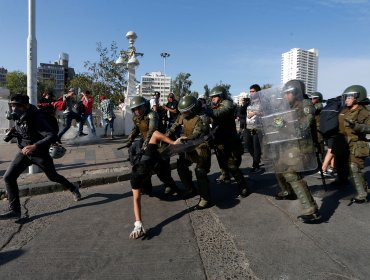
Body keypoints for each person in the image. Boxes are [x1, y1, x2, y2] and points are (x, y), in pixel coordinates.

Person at [0, 95, 81, 220]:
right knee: (8, 177)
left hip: (39, 153)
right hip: (24, 152)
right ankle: (15, 210)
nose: (14, 108)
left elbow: (52, 135)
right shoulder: (19, 117)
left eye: (17, 105)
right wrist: (13, 132)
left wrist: (35, 146)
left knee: (53, 177)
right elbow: (24, 130)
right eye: (13, 105)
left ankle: (73, 187)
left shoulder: (37, 118)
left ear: (26, 106)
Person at [268, 80, 320, 223]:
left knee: (292, 174)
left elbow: (307, 123)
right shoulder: (287, 107)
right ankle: (288, 192)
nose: (285, 96)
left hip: (302, 145)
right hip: (289, 144)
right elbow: (280, 123)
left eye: (288, 93)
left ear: (296, 92)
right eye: (284, 93)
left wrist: (292, 128)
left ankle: (311, 210)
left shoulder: (305, 104)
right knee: (280, 168)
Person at [166, 95, 212, 209]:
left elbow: (198, 133)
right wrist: (165, 136)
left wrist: (184, 139)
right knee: (181, 166)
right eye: (183, 112)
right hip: (188, 145)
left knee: (200, 171)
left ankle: (205, 198)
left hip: (201, 145)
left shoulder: (202, 117)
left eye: (186, 112)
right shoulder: (183, 114)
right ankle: (190, 189)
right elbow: (174, 126)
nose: (184, 114)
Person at [206, 86, 250, 197]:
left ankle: (243, 186)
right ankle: (225, 177)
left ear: (221, 96)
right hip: (219, 139)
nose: (212, 99)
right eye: (212, 97)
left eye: (215, 97)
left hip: (230, 140)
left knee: (232, 165)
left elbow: (218, 113)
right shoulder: (214, 106)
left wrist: (206, 110)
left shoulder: (227, 104)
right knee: (221, 160)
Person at [337, 85, 370, 203]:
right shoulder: (345, 110)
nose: (346, 100)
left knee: (354, 168)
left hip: (356, 144)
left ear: (357, 97)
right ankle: (362, 189)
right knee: (347, 169)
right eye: (346, 97)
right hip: (343, 143)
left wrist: (357, 126)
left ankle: (362, 194)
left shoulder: (365, 112)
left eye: (349, 97)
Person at [246, 84, 263, 173]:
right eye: (250, 91)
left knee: (256, 147)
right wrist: (242, 105)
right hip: (248, 126)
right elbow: (240, 113)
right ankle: (257, 159)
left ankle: (256, 165)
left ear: (258, 92)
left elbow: (265, 112)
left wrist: (255, 113)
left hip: (257, 127)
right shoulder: (249, 101)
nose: (251, 93)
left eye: (253, 91)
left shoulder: (262, 101)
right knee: (248, 145)